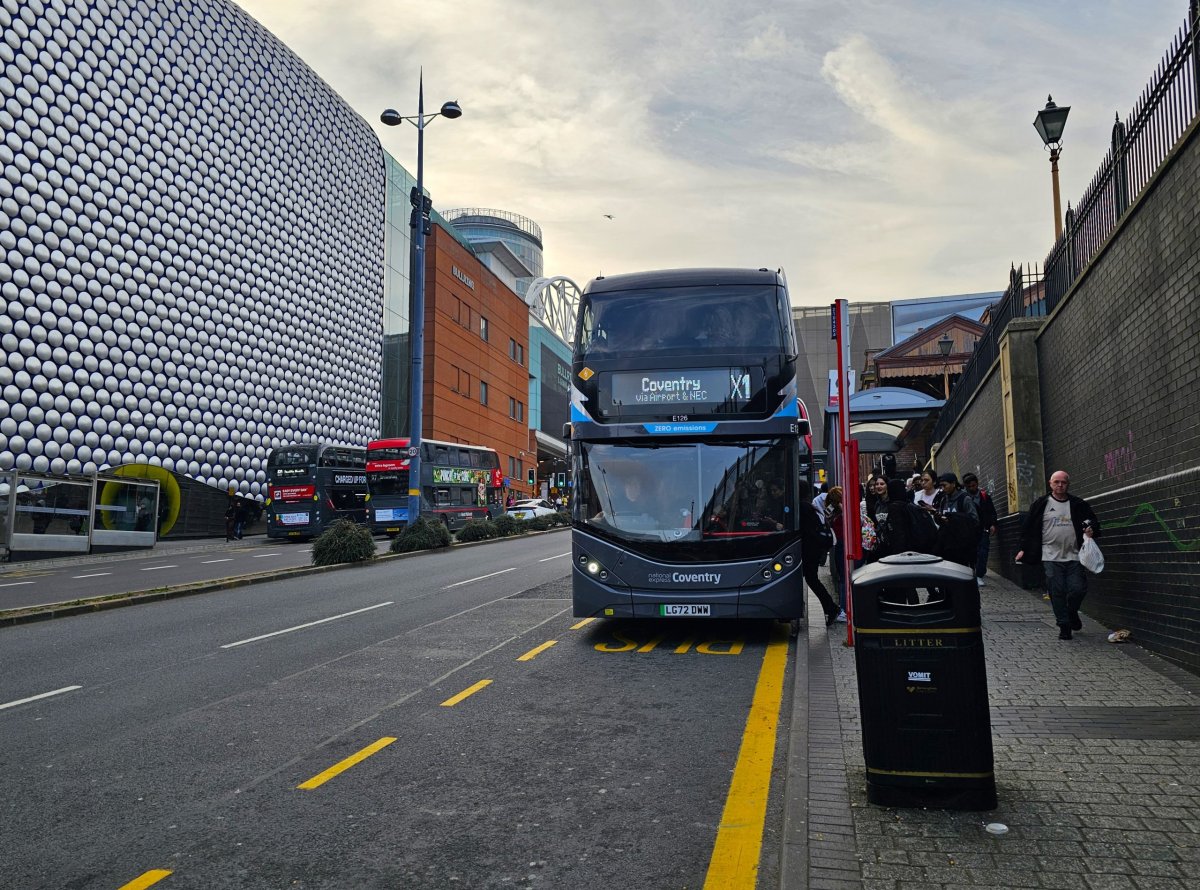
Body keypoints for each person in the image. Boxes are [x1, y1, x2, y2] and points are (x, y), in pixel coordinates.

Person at [1016, 470, 1102, 640]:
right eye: (1056, 482)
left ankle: (1071, 613)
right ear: (1050, 483)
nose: (1060, 485)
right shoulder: (1041, 504)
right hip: (1050, 555)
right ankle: (1064, 625)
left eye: (1063, 482)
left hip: (1075, 555)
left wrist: (1092, 530)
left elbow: (1093, 523)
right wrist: (1023, 549)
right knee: (1057, 591)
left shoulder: (1078, 504)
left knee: (1078, 589)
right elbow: (1029, 528)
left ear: (1068, 484)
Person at [796, 481, 840, 625]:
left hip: (809, 549)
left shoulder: (802, 507)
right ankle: (831, 608)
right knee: (811, 579)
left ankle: (831, 608)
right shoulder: (808, 505)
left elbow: (806, 531)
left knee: (811, 579)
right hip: (812, 549)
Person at [932, 473, 979, 568]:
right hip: (946, 545)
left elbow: (974, 520)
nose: (942, 488)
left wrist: (953, 519)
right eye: (941, 486)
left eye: (944, 485)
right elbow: (942, 522)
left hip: (961, 546)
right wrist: (937, 516)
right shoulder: (943, 500)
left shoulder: (964, 499)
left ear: (953, 484)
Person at [962, 473, 998, 586]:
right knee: (971, 552)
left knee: (983, 552)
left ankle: (979, 574)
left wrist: (992, 524)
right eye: (970, 486)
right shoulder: (963, 498)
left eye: (974, 485)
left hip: (983, 529)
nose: (973, 488)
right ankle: (971, 573)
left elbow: (991, 512)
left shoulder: (984, 497)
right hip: (969, 530)